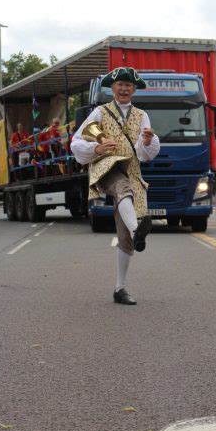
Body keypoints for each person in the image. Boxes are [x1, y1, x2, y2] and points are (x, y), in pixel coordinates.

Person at [71, 67, 160, 305]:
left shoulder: (142, 116)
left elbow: (144, 154)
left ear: (134, 89)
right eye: (120, 84)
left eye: (128, 85)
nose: (123, 88)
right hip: (106, 166)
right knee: (122, 187)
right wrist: (96, 148)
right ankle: (136, 229)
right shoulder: (100, 112)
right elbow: (76, 142)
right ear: (113, 88)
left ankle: (120, 288)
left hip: (131, 169)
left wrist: (149, 141)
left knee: (125, 238)